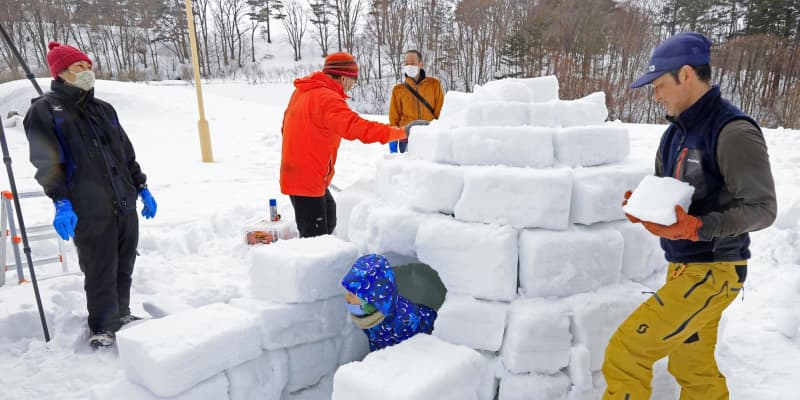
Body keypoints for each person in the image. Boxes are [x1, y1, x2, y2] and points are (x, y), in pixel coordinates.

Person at [601, 32, 777, 399]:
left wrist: (699, 227)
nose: (655, 95)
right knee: (690, 366)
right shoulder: (674, 135)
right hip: (682, 269)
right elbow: (673, 198)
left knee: (626, 352)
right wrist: (646, 207)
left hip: (714, 270)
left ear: (685, 75)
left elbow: (763, 209)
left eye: (659, 84)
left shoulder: (733, 131)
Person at [23, 42, 157, 348]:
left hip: (123, 201)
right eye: (79, 67)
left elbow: (125, 153)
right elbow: (46, 162)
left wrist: (141, 187)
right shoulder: (44, 111)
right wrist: (61, 201)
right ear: (61, 73)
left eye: (88, 66)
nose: (87, 73)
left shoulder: (103, 109)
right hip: (88, 206)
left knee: (124, 263)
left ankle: (121, 315)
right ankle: (102, 325)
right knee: (100, 267)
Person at [280, 52, 411, 238]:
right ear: (343, 77)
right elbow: (359, 128)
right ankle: (315, 266)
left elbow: (285, 127)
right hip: (306, 180)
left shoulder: (303, 91)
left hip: (302, 174)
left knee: (331, 217)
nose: (352, 85)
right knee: (314, 240)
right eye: (352, 80)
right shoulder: (327, 99)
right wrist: (401, 132)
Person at [341, 254, 437, 351]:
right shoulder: (369, 314)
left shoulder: (403, 323)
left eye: (351, 295)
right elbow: (376, 342)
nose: (346, 298)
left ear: (369, 299)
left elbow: (409, 357)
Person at [388, 50, 444, 153]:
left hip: (430, 136)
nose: (409, 66)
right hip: (406, 139)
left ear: (420, 64)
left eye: (413, 63)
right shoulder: (398, 90)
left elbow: (440, 113)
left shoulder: (434, 84)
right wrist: (393, 141)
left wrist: (439, 133)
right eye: (406, 63)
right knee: (409, 169)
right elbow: (394, 119)